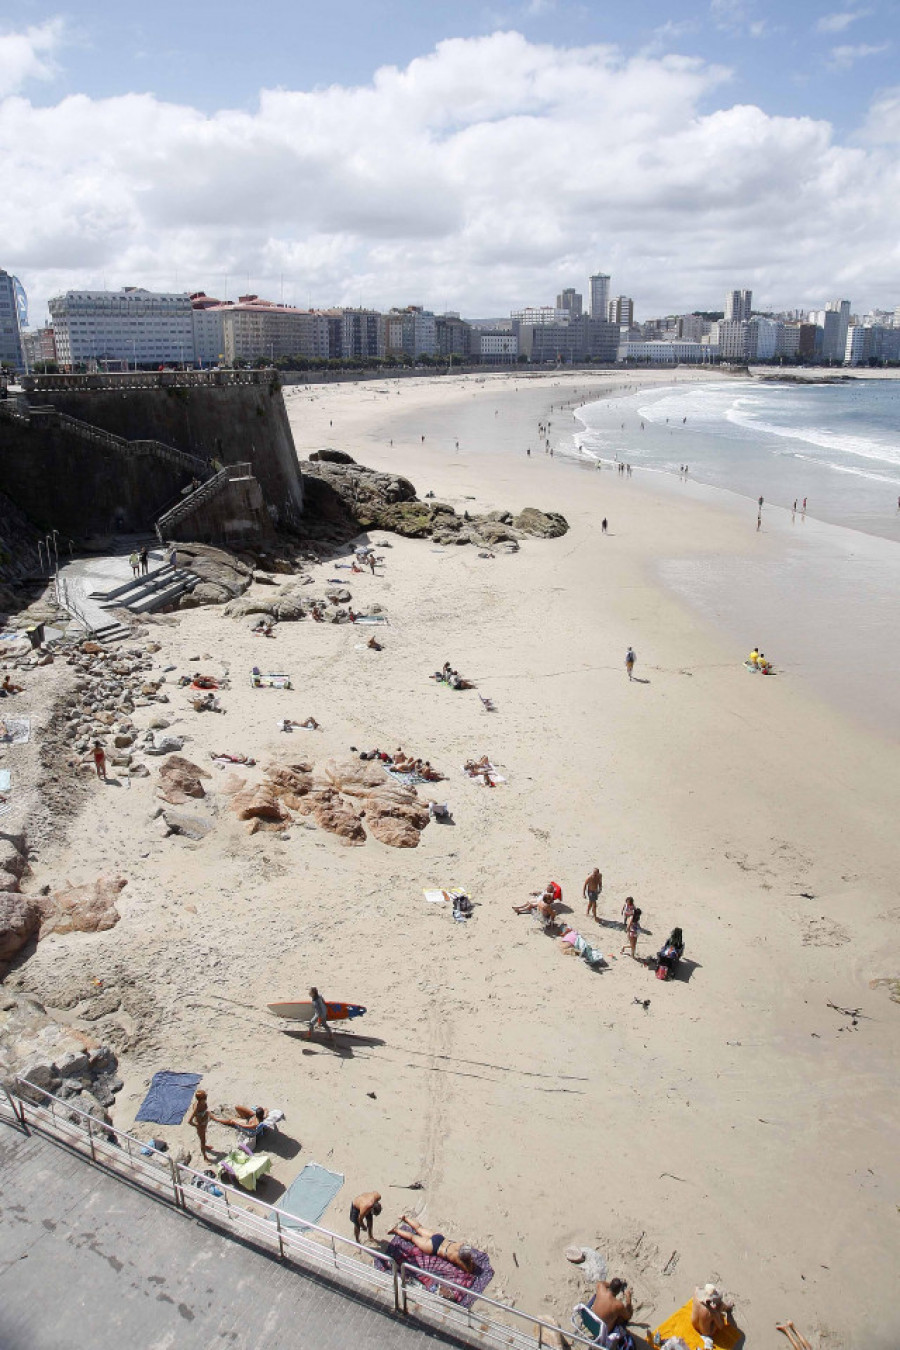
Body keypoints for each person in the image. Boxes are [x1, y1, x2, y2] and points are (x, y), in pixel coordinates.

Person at [390, 1215, 477, 1274]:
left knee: (419, 1228)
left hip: (440, 1238)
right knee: (412, 1237)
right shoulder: (457, 1258)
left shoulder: (460, 1245)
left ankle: (405, 1218)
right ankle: (396, 1230)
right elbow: (469, 1270)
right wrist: (469, 1262)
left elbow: (467, 1247)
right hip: (433, 1247)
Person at [187, 1088, 214, 1161]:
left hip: (204, 1122)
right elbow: (189, 1121)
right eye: (205, 1098)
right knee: (202, 1140)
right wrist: (197, 1125)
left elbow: (205, 1111)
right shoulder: (197, 1107)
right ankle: (205, 1157)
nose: (206, 1099)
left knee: (204, 1138)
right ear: (200, 1100)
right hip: (200, 1125)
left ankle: (205, 1146)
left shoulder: (204, 1103)